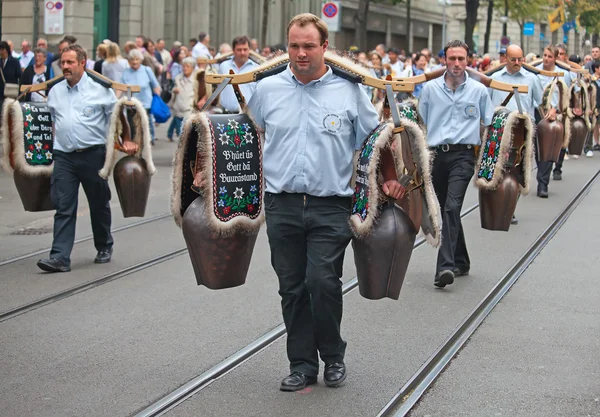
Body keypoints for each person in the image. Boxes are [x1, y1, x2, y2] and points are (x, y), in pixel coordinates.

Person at [242, 13, 405, 392]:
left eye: (308, 46)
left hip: (331, 204)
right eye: (294, 46)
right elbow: (249, 134)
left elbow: (374, 138)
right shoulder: (266, 89)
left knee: (321, 281)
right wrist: (208, 171)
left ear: (324, 48)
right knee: (292, 287)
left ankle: (333, 355)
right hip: (281, 203)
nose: (300, 53)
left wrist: (391, 176)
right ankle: (301, 364)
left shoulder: (349, 91)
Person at [36, 45, 138, 273]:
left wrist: (128, 138)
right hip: (64, 157)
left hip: (94, 155)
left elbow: (118, 115)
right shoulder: (55, 91)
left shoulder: (100, 90)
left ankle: (104, 245)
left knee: (98, 203)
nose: (65, 67)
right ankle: (59, 257)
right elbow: (52, 121)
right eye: (63, 62)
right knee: (63, 206)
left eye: (70, 62)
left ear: (82, 63)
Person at [418, 40, 494, 288]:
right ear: (444, 60)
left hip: (463, 156)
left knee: (452, 208)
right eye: (452, 59)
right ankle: (461, 259)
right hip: (437, 156)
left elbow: (489, 122)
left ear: (468, 61)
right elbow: (424, 119)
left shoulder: (479, 91)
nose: (457, 64)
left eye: (461, 59)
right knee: (446, 209)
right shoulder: (429, 89)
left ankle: (445, 267)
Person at [534, 45, 569, 198]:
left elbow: (566, 95)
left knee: (548, 150)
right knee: (537, 149)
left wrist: (556, 109)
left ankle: (543, 184)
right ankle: (541, 174)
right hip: (538, 113)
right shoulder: (535, 74)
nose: (546, 59)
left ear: (555, 58)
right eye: (545, 55)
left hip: (554, 115)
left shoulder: (564, 74)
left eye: (549, 56)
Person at [121, 49, 161, 144]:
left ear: (141, 60)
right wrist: (115, 99)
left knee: (145, 123)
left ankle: (148, 139)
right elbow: (121, 87)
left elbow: (155, 86)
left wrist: (158, 100)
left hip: (145, 103)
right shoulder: (126, 72)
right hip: (131, 103)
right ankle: (135, 142)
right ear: (128, 61)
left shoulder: (146, 70)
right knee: (132, 125)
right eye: (132, 59)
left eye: (136, 59)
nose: (134, 62)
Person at [218, 35, 258, 113]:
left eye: (245, 49)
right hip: (226, 114)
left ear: (249, 50)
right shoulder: (224, 66)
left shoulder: (257, 69)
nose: (242, 53)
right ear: (233, 50)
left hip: (248, 116)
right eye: (239, 50)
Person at [167, 57, 199, 141]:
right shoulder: (178, 78)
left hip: (189, 110)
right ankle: (182, 152)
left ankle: (185, 152)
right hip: (178, 109)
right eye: (183, 66)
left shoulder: (196, 80)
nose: (185, 68)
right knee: (180, 134)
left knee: (185, 134)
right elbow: (172, 89)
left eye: (187, 66)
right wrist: (174, 90)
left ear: (192, 68)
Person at [0, 41, 22, 107]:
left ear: (6, 50)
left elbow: (20, 75)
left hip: (10, 92)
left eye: (2, 50)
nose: (0, 52)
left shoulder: (14, 61)